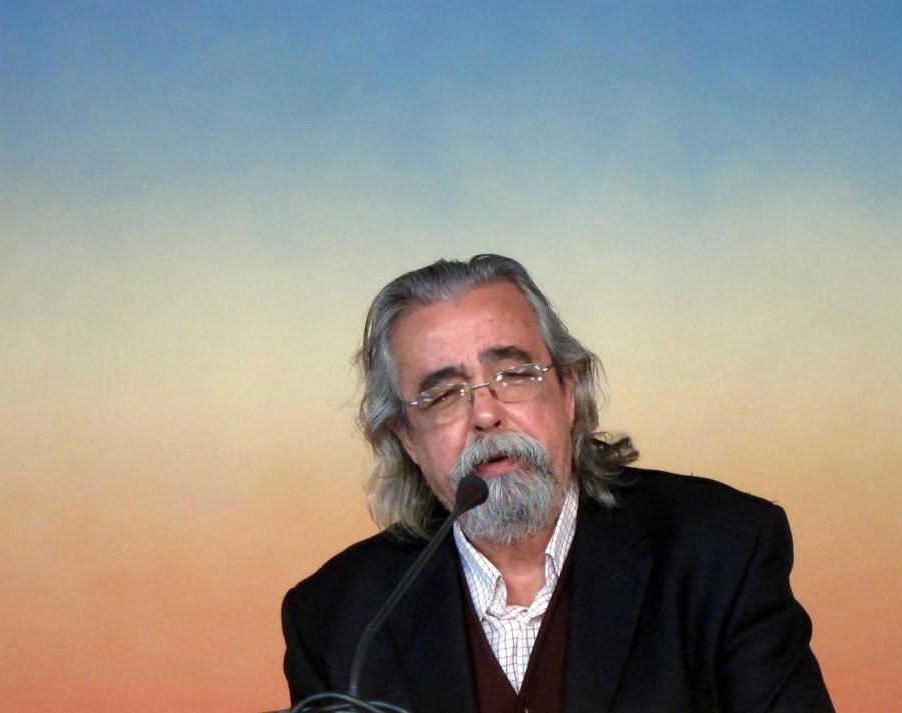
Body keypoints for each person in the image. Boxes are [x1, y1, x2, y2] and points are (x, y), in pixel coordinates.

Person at [281, 254, 834, 713]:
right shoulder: (336, 617)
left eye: (514, 374)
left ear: (568, 391)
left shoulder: (722, 551)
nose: (485, 414)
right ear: (406, 436)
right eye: (444, 394)